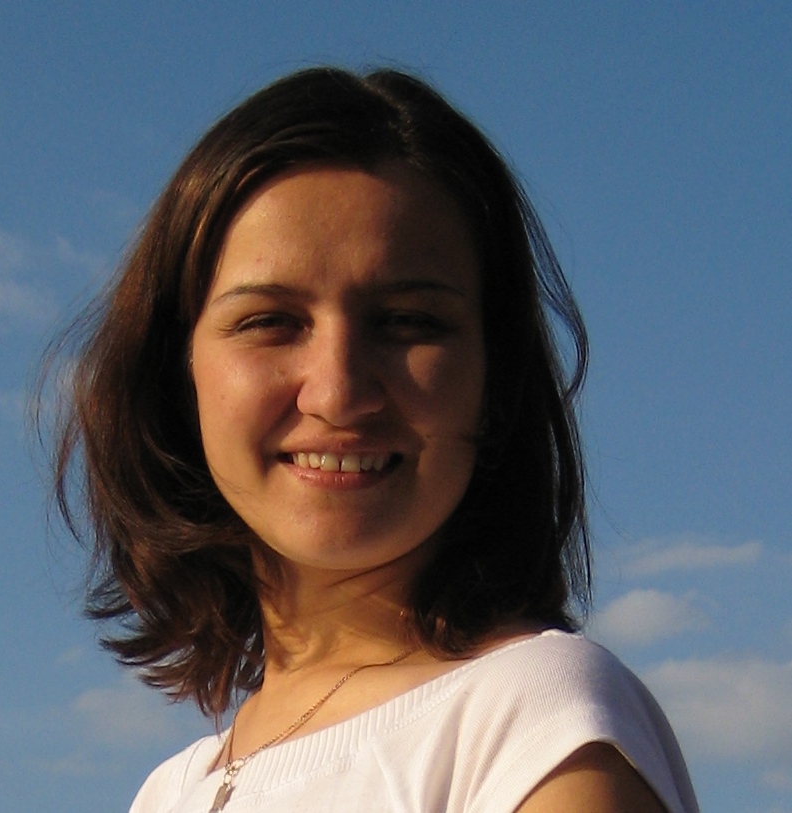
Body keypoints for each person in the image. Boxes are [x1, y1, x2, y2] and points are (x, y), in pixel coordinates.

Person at [44, 67, 700, 812]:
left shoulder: (538, 724)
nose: (337, 390)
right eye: (271, 322)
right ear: (177, 374)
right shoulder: (169, 790)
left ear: (495, 377)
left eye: (407, 322)